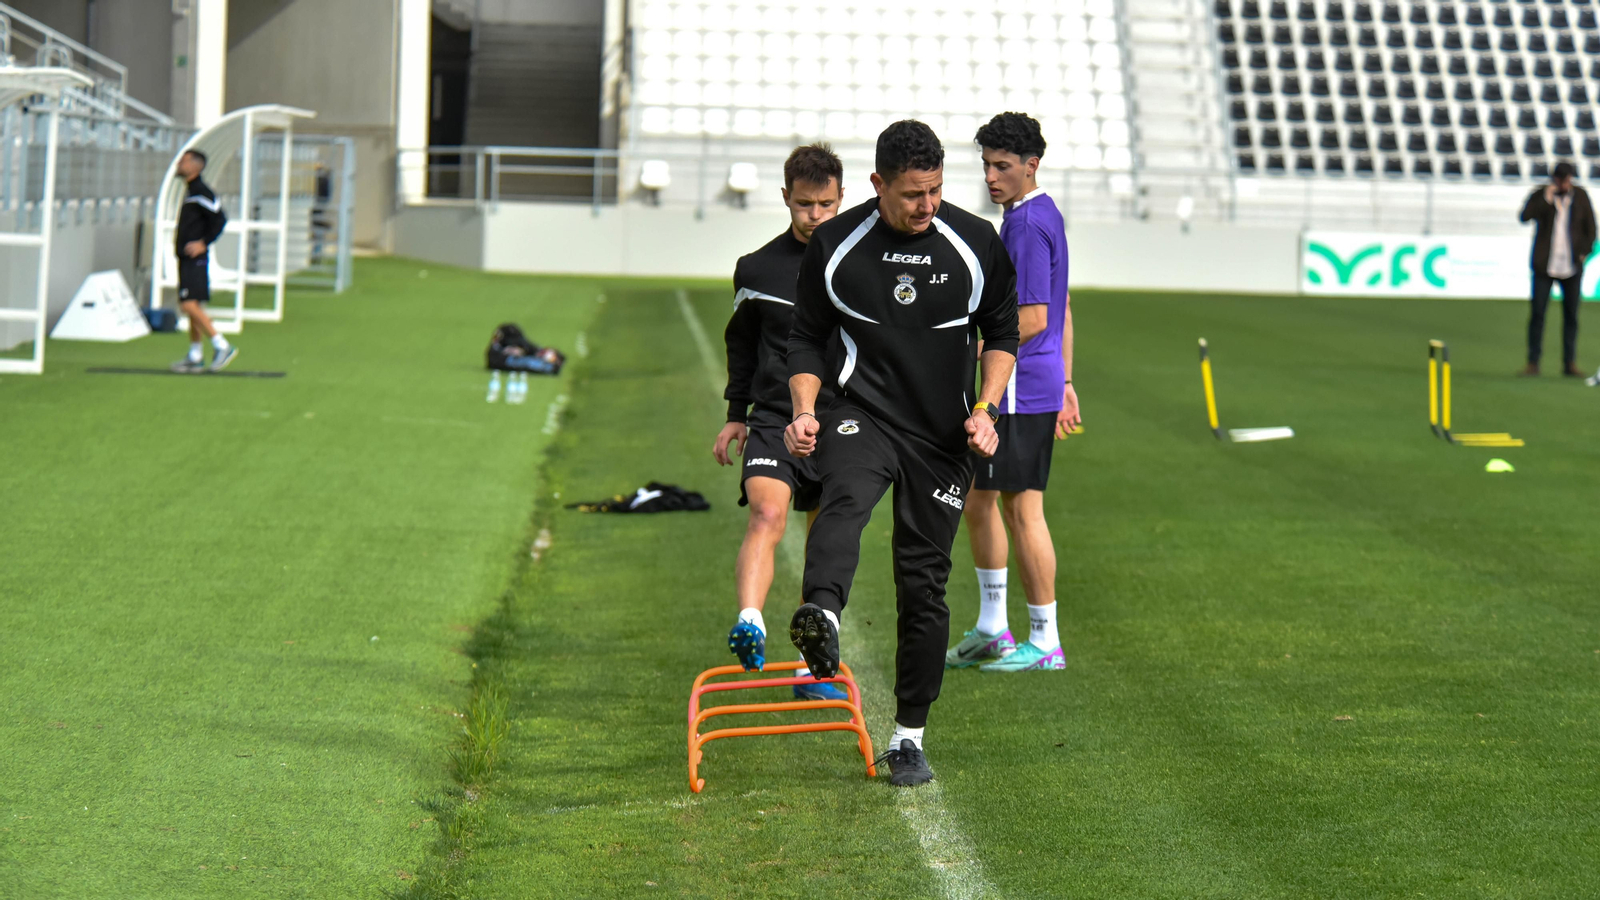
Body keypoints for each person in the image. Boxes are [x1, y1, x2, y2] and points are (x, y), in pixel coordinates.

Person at [785, 120, 1020, 786]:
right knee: (847, 495)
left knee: (924, 582)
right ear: (878, 184)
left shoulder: (975, 243)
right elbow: (806, 340)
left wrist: (986, 409)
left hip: (943, 435)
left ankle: (909, 736)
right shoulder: (835, 245)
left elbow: (1002, 331)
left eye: (937, 190)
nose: (927, 206)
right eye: (913, 194)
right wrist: (805, 411)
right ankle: (821, 616)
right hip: (860, 413)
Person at [712, 143, 849, 703]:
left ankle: (810, 669)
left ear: (843, 198)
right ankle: (751, 621)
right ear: (786, 198)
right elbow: (741, 347)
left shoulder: (859, 266)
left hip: (843, 420)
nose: (816, 216)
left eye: (827, 204)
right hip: (772, 417)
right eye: (804, 205)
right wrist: (733, 416)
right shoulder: (756, 268)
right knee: (767, 513)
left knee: (825, 544)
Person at [947, 112, 1080, 674]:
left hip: (1020, 390)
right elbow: (1064, 309)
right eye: (986, 166)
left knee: (1023, 511)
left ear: (1032, 166)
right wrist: (1068, 380)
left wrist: (969, 346)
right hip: (1039, 383)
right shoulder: (1039, 213)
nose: (992, 177)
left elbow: (1030, 318)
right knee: (980, 501)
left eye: (1003, 166)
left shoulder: (1025, 225)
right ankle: (992, 629)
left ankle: (1045, 639)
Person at [1518, 161, 1595, 377]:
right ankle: (1533, 362)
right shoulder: (1542, 195)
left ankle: (1569, 363)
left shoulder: (1580, 197)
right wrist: (1546, 199)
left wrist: (1584, 252)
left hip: (1571, 265)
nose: (1562, 183)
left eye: (1566, 179)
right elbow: (1524, 216)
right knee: (1538, 314)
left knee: (1571, 315)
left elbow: (1591, 226)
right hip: (1545, 265)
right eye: (1559, 179)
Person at [170, 150, 237, 372]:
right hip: (186, 257)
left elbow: (220, 218)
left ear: (194, 165)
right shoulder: (191, 191)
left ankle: (222, 345)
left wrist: (203, 243)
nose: (179, 163)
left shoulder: (201, 192)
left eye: (183, 160)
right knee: (193, 305)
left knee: (188, 304)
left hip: (195, 258)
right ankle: (195, 354)